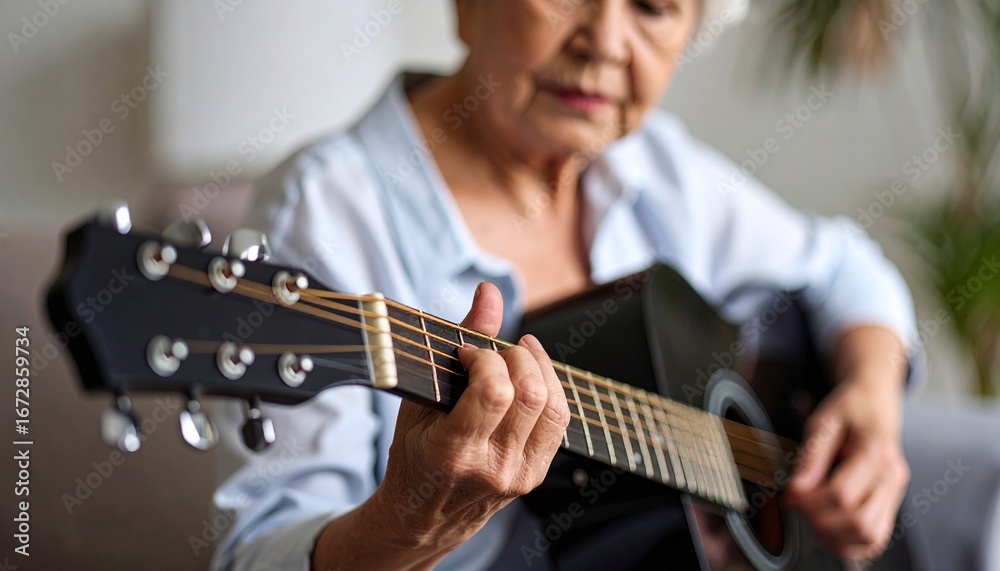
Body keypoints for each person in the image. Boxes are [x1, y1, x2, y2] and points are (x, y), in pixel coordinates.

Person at [210, 0, 919, 568]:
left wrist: (873, 398)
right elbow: (259, 553)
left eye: (653, 7)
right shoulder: (327, 210)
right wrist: (410, 525)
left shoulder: (652, 164)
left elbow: (845, 265)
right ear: (466, 7)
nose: (605, 41)